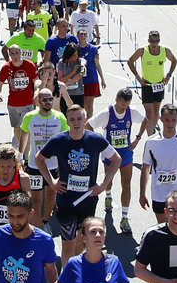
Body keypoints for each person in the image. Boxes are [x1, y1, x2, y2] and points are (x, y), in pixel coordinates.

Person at [35, 106, 120, 265]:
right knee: (67, 244)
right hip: (66, 200)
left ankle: (74, 266)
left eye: (79, 119)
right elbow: (39, 158)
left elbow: (117, 159)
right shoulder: (59, 140)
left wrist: (103, 185)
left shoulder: (95, 139)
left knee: (83, 241)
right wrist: (52, 182)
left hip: (88, 200)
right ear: (67, 121)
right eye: (72, 120)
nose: (76, 123)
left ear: (85, 120)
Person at [24, 217, 146, 283]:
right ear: (83, 238)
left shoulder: (114, 262)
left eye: (101, 232)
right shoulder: (74, 264)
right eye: (93, 232)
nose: (98, 235)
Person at [140, 104, 177, 226]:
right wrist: (142, 193)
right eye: (167, 120)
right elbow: (145, 168)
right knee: (163, 230)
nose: (170, 123)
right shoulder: (151, 142)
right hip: (159, 194)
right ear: (161, 119)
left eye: (173, 120)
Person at [19, 89, 69, 227]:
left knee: (51, 195)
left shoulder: (59, 117)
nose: (48, 102)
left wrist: (63, 164)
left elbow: (65, 142)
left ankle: (45, 221)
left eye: (50, 99)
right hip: (35, 165)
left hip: (53, 165)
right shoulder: (29, 117)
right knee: (36, 200)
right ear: (38, 101)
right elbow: (24, 137)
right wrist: (20, 156)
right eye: (45, 100)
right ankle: (37, 226)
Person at [92, 89, 138, 233]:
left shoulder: (132, 111)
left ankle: (125, 217)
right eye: (121, 105)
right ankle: (108, 196)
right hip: (110, 154)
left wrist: (138, 138)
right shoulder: (106, 113)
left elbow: (146, 120)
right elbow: (88, 125)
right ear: (116, 99)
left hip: (125, 153)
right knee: (109, 181)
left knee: (127, 184)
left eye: (126, 105)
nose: (123, 108)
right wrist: (98, 144)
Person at [126, 32, 176, 143]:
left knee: (156, 111)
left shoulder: (164, 50)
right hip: (147, 85)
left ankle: (152, 131)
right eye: (153, 41)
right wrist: (138, 77)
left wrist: (168, 75)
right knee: (149, 112)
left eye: (157, 41)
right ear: (149, 41)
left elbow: (174, 61)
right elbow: (130, 61)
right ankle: (150, 137)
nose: (155, 44)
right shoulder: (142, 50)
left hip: (159, 85)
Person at [0, 45, 39, 132]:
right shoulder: (6, 67)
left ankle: (26, 146)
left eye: (17, 53)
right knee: (16, 128)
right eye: (12, 54)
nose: (15, 56)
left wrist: (37, 91)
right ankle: (19, 145)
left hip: (28, 102)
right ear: (9, 55)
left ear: (20, 52)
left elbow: (37, 81)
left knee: (26, 128)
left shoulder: (29, 65)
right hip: (13, 103)